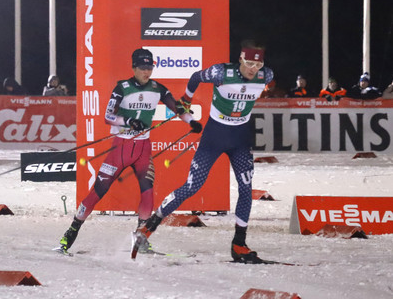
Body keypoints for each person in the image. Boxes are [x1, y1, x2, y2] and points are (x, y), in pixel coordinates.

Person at [132, 40, 274, 264]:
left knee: (246, 189)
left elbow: (262, 85)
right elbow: (197, 76)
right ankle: (149, 226)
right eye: (248, 64)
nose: (252, 70)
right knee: (192, 186)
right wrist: (187, 99)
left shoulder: (266, 75)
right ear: (240, 59)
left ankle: (239, 243)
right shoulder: (221, 72)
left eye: (257, 66)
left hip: (240, 139)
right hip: (215, 137)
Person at [56, 48, 202, 255]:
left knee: (148, 192)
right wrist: (128, 121)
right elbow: (108, 116)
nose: (146, 72)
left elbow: (177, 108)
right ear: (133, 67)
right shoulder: (122, 88)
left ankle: (141, 238)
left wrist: (191, 122)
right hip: (121, 147)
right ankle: (71, 232)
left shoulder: (158, 88)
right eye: (142, 68)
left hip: (143, 148)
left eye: (149, 67)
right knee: (98, 191)